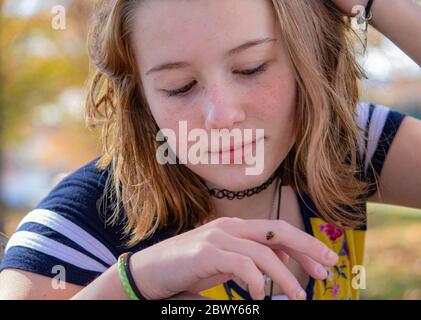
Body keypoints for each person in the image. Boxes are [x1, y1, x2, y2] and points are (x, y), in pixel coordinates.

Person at [1, 0, 421, 300]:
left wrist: (380, 5)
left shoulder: (347, 141)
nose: (220, 116)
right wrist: (136, 282)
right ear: (142, 98)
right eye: (179, 87)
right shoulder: (69, 233)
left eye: (251, 67)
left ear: (307, 58)